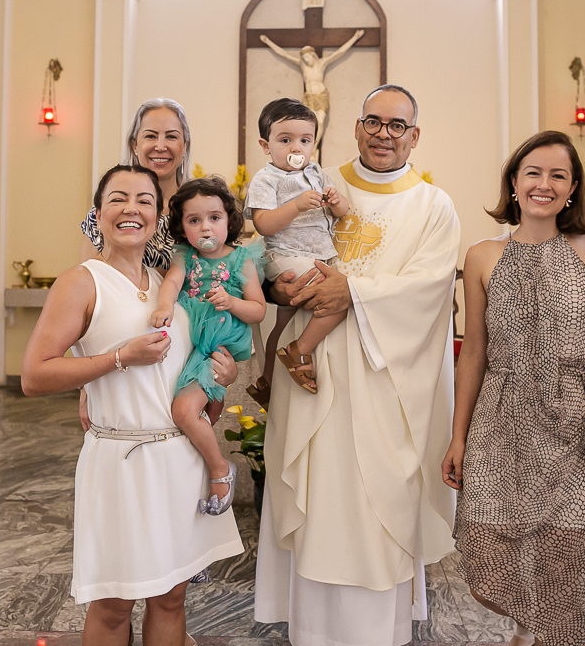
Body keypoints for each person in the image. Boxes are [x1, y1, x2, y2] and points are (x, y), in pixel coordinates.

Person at [254, 84, 461, 646]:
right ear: (356, 126)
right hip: (312, 376)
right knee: (317, 502)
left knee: (374, 514)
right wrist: (278, 286)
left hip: (382, 385)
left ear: (414, 135)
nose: (384, 134)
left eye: (398, 125)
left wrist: (354, 292)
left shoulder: (432, 205)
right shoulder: (318, 181)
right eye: (374, 121)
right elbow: (268, 256)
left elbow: (431, 287)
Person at [22, 164, 243, 646]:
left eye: (144, 200)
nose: (131, 209)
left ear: (159, 215)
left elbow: (191, 377)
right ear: (98, 214)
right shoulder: (82, 282)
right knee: (112, 606)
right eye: (118, 199)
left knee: (171, 598)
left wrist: (221, 380)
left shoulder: (174, 285)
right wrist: (118, 358)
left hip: (181, 462)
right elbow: (34, 375)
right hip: (120, 465)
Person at [442, 131, 585, 646]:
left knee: (567, 556)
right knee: (484, 543)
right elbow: (473, 350)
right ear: (514, 184)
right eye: (533, 173)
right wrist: (458, 437)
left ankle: (541, 637)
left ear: (572, 190)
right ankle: (528, 630)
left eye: (558, 175)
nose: (544, 184)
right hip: (502, 421)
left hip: (578, 424)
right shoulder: (481, 255)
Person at [76, 99, 238, 431]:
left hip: (191, 350)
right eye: (150, 136)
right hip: (124, 356)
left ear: (185, 144)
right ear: (134, 144)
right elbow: (87, 302)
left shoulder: (202, 209)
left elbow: (228, 278)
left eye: (171, 136)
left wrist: (223, 359)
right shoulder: (105, 213)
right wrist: (85, 382)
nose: (160, 146)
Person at [152, 177, 267, 514]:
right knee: (197, 415)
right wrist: (164, 306)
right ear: (182, 228)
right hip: (191, 346)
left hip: (217, 348)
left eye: (214, 218)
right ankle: (195, 481)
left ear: (228, 220)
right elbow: (172, 283)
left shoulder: (241, 259)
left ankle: (219, 469)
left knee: (184, 412)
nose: (206, 227)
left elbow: (257, 310)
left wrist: (230, 302)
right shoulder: (184, 255)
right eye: (194, 220)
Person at [244, 98, 350, 404]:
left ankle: (266, 380)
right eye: (285, 140)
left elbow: (343, 211)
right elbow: (263, 224)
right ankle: (299, 351)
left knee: (284, 321)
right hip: (285, 254)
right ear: (266, 145)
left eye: (304, 141)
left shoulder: (317, 173)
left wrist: (335, 199)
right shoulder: (267, 179)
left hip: (316, 255)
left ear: (314, 144)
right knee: (337, 298)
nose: (296, 149)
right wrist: (296, 205)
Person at [260, 29, 364, 146]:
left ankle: (314, 148)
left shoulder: (321, 63)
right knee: (308, 125)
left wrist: (355, 37)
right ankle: (310, 149)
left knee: (319, 122)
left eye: (308, 57)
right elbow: (284, 54)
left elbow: (339, 52)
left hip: (321, 96)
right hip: (309, 97)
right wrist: (268, 42)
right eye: (304, 58)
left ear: (313, 55)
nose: (306, 60)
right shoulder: (302, 65)